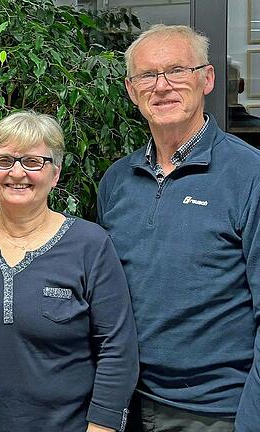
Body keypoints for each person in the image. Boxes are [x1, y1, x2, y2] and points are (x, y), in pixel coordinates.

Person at [97, 24, 260, 431]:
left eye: (176, 71)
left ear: (207, 79)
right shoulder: (116, 181)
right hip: (127, 403)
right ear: (132, 91)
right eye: (147, 76)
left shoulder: (250, 176)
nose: (162, 86)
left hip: (215, 412)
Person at [0, 111, 138, 432]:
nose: (17, 172)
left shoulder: (90, 244)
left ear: (55, 174)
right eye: (3, 160)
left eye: (33, 161)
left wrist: (102, 427)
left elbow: (117, 348)